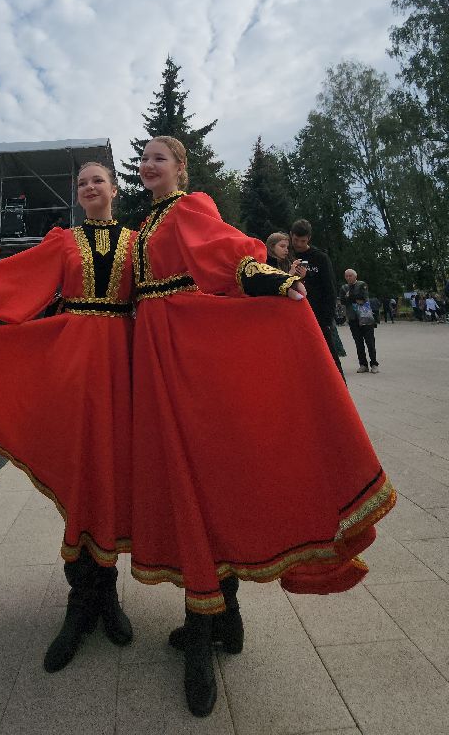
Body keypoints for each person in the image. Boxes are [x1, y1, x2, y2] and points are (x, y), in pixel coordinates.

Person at [130, 137, 395, 718]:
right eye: (143, 157)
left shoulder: (188, 206)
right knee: (191, 475)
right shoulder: (146, 223)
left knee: (199, 474)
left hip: (186, 351)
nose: (147, 164)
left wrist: (270, 280)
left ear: (180, 168)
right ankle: (225, 617)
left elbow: (230, 253)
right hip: (156, 353)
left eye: (159, 158)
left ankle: (203, 631)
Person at [0, 162, 135, 673]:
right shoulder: (63, 242)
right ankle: (80, 601)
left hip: (125, 365)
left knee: (112, 469)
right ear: (78, 194)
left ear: (113, 189)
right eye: (81, 182)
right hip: (73, 364)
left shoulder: (140, 240)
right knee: (79, 467)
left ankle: (106, 594)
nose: (89, 187)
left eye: (97, 180)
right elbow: (11, 281)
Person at [289, 219, 345, 377]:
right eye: (296, 240)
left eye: (303, 241)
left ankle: (341, 391)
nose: (299, 244)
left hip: (318, 317)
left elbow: (329, 289)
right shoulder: (286, 255)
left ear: (309, 239)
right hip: (293, 317)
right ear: (291, 235)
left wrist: (327, 320)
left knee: (329, 358)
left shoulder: (320, 258)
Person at [340, 270, 379, 373]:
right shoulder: (344, 288)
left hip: (365, 317)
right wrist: (352, 298)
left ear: (355, 276)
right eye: (346, 276)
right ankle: (363, 364)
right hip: (353, 318)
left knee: (370, 342)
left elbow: (363, 298)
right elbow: (343, 301)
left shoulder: (362, 284)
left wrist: (349, 297)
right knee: (358, 342)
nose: (348, 278)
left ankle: (374, 364)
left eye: (350, 276)